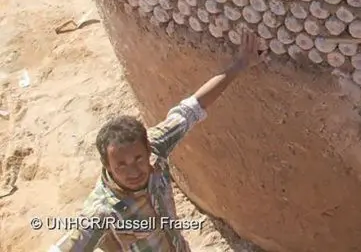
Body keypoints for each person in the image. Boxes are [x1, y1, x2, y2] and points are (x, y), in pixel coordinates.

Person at [49, 29, 269, 251]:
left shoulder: (156, 146)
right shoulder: (103, 210)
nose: (133, 171)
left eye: (137, 159)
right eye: (121, 165)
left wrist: (240, 64)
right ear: (107, 166)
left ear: (147, 150)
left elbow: (193, 107)